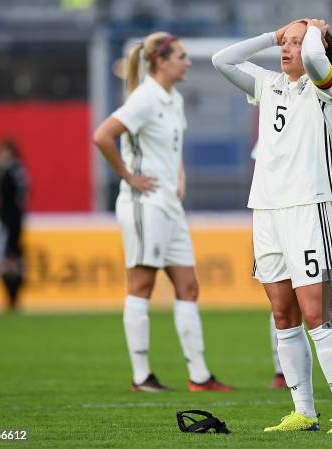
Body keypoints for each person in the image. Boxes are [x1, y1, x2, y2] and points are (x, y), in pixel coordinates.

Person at [213, 19, 332, 433]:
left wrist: (314, 31)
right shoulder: (269, 83)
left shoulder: (329, 88)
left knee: (316, 315)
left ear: (319, 47)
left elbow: (315, 57)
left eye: (296, 43)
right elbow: (221, 60)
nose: (288, 49)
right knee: (283, 315)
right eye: (286, 43)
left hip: (308, 210)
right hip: (267, 211)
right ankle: (304, 412)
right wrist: (270, 36)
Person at [93, 32, 233, 393]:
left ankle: (199, 376)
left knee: (188, 286)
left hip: (169, 205)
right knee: (141, 285)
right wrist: (128, 176)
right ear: (160, 62)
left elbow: (174, 146)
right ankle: (141, 376)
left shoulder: (174, 98)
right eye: (182, 57)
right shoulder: (143, 99)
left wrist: (180, 174)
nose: (188, 62)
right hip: (145, 204)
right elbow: (102, 136)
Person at [262, 116, 332, 391]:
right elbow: (264, 166)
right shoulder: (281, 115)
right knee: (284, 299)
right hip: (288, 220)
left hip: (329, 222)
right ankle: (281, 370)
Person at [0, 139, 29, 311]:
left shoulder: (10, 170)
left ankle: (12, 294)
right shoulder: (13, 171)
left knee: (6, 257)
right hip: (10, 220)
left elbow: (6, 197)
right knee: (9, 258)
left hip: (9, 221)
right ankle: (11, 294)